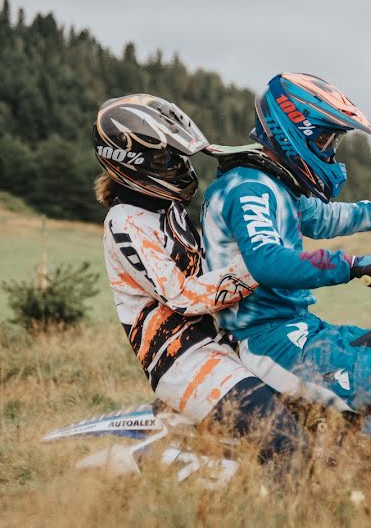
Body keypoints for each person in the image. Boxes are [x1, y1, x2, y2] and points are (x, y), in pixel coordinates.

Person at [201, 73, 371, 450]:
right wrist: (354, 265)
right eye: (325, 140)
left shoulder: (274, 185)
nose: (330, 152)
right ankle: (349, 496)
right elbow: (266, 261)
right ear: (292, 131)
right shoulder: (247, 189)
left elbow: (327, 218)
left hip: (294, 326)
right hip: (265, 337)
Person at [94, 93, 301, 464]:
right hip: (185, 361)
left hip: (227, 341)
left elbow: (208, 263)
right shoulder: (125, 221)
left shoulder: (168, 208)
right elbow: (183, 295)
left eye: (179, 156)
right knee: (284, 441)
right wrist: (260, 266)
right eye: (166, 158)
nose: (177, 165)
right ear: (132, 162)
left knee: (317, 408)